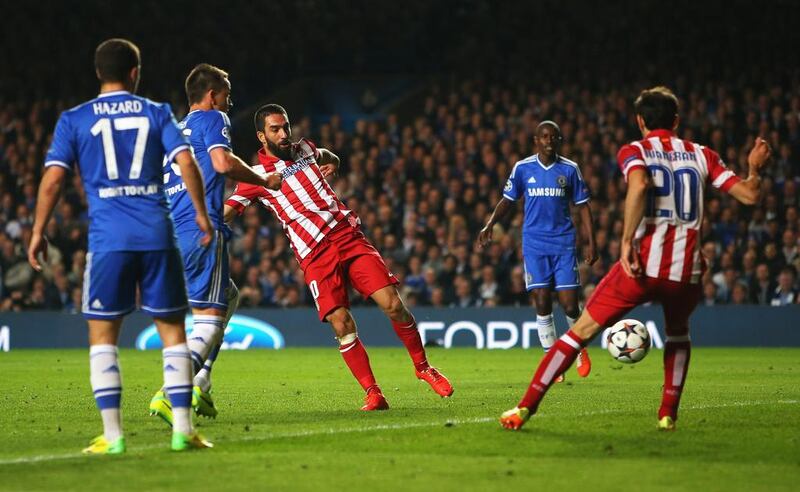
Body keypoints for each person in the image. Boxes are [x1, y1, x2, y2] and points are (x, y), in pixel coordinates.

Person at [499, 86, 771, 431]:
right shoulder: (703, 154)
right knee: (677, 334)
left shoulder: (635, 150)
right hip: (685, 269)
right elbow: (749, 195)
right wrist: (755, 168)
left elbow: (640, 185)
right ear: (676, 120)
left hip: (640, 266)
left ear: (640, 120)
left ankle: (524, 408)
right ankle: (667, 414)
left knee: (579, 332)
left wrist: (627, 241)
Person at [28, 39, 215, 453]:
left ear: (99, 73)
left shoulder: (74, 119)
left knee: (103, 337)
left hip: (108, 241)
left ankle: (113, 436)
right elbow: (186, 163)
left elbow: (54, 179)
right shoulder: (157, 112)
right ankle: (183, 430)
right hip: (157, 235)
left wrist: (38, 229)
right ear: (135, 72)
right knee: (173, 334)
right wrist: (201, 214)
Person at [224, 104, 453, 410]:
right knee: (341, 324)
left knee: (393, 304)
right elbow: (226, 212)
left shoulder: (304, 148)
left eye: (286, 126)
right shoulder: (254, 177)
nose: (283, 134)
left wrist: (335, 163)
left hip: (347, 236)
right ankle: (373, 392)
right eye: (275, 129)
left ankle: (424, 368)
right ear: (261, 136)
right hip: (314, 255)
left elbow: (329, 156)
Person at [149, 64, 282, 426]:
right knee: (209, 322)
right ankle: (173, 389)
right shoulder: (213, 118)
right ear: (211, 96)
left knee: (229, 296)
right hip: (201, 230)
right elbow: (222, 162)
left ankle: (201, 381)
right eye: (226, 93)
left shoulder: (173, 132)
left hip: (171, 235)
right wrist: (263, 179)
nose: (229, 100)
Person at [478, 121, 597, 382]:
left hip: (563, 242)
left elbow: (583, 206)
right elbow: (508, 200)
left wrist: (592, 242)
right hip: (534, 243)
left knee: (568, 304)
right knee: (542, 301)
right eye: (544, 137)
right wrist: (490, 224)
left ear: (559, 140)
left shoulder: (570, 169)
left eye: (553, 137)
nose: (549, 141)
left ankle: (579, 348)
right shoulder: (522, 168)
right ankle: (552, 360)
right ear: (536, 140)